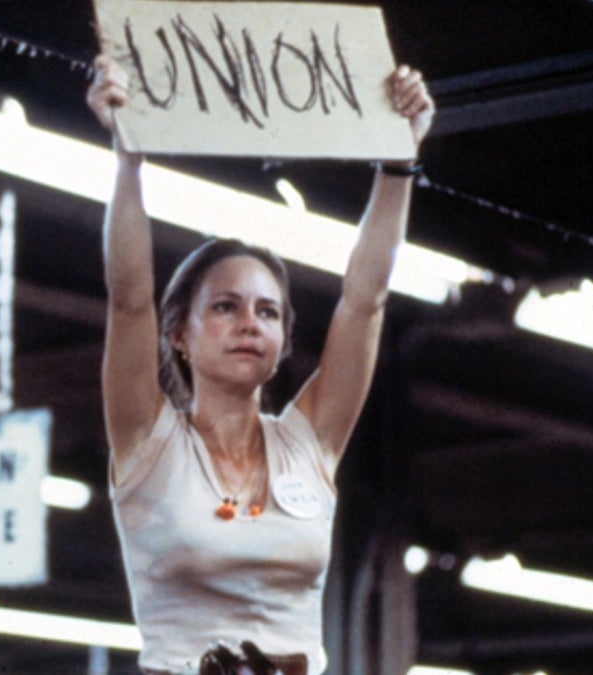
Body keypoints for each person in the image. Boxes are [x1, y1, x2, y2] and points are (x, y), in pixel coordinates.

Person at [86, 53, 435, 675]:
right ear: (178, 336)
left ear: (282, 344)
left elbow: (365, 300)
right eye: (226, 306)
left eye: (269, 313)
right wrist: (128, 156)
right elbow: (129, 297)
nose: (251, 322)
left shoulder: (311, 439)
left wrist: (398, 162)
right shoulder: (147, 437)